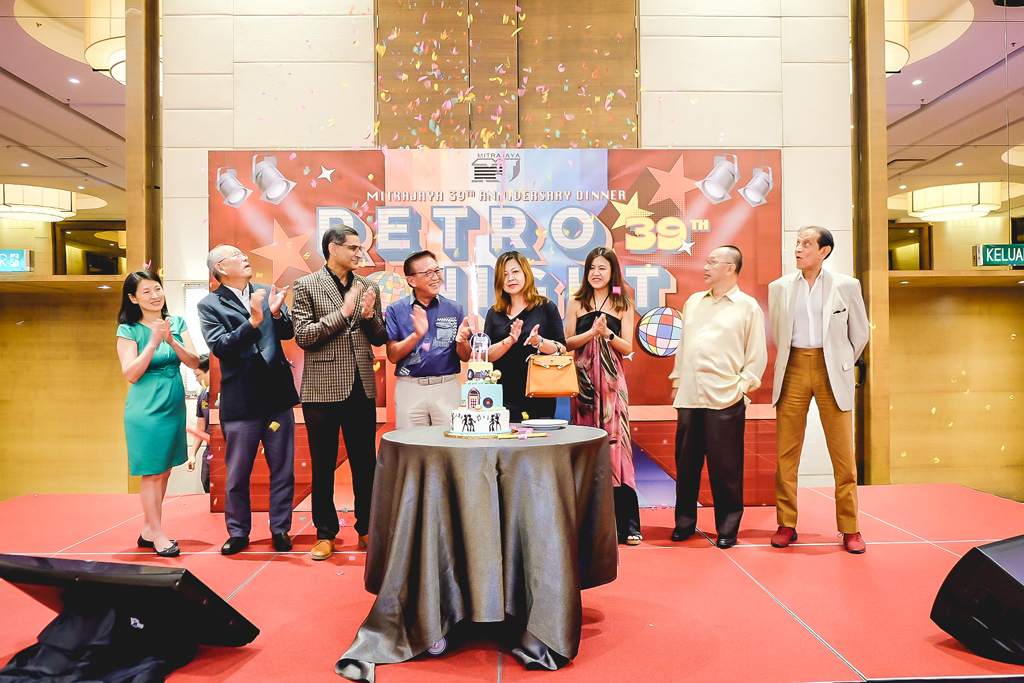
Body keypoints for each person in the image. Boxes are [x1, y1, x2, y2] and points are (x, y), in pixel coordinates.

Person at [768, 227, 870, 554]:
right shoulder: (779, 287)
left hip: (832, 369)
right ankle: (786, 524)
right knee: (786, 455)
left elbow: (860, 334)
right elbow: (778, 333)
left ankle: (850, 528)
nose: (798, 249)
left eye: (806, 244)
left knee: (843, 457)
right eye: (797, 243)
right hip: (794, 367)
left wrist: (840, 361)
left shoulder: (847, 285)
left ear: (824, 251)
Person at [291, 226, 386, 561]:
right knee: (323, 465)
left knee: (366, 464)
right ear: (333, 249)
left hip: (361, 386)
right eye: (354, 248)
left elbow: (379, 337)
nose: (360, 254)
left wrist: (368, 316)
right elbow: (303, 336)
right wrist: (342, 313)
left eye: (361, 248)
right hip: (321, 390)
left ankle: (367, 528)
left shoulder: (369, 286)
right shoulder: (306, 285)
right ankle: (325, 533)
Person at [198, 246, 299, 556]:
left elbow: (287, 332)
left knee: (283, 469)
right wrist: (253, 322)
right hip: (241, 400)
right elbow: (220, 347)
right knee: (237, 474)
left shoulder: (266, 291)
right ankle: (239, 532)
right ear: (220, 268)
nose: (245, 258)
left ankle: (280, 528)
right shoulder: (209, 305)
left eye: (244, 254)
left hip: (277, 396)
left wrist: (277, 314)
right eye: (236, 255)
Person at [669, 246, 767, 549]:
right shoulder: (693, 302)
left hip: (725, 397)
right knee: (686, 466)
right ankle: (684, 522)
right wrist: (677, 382)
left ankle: (727, 527)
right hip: (690, 396)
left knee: (726, 469)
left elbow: (757, 355)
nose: (706, 266)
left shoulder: (747, 306)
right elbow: (684, 346)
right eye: (707, 261)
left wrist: (742, 388)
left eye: (712, 262)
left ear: (730, 268)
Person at [115, 270, 201, 557]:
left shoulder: (177, 322)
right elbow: (131, 373)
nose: (155, 296)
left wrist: (172, 340)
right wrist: (153, 342)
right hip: (145, 409)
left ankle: (149, 529)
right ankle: (157, 532)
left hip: (173, 406)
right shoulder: (128, 329)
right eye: (146, 292)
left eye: (157, 289)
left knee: (164, 470)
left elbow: (194, 362)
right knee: (152, 473)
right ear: (133, 298)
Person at [564, 247, 640, 545]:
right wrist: (591, 333)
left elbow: (628, 347)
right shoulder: (576, 301)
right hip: (583, 386)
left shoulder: (623, 303)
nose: (596, 273)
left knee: (618, 449)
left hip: (612, 386)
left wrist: (607, 333)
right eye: (592, 268)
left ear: (612, 272)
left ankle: (627, 524)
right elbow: (567, 342)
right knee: (587, 447)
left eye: (602, 268)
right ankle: (589, 525)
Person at [385, 250, 473, 429]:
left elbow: (465, 357)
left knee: (449, 442)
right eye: (428, 273)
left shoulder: (454, 309)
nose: (436, 277)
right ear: (411, 280)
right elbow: (392, 356)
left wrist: (462, 342)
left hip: (446, 386)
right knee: (410, 443)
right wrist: (416, 335)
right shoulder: (396, 309)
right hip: (410, 388)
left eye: (437, 271)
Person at [484, 251, 567, 422]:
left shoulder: (546, 307)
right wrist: (509, 341)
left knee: (540, 438)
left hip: (540, 393)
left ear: (526, 273)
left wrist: (539, 342)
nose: (510, 278)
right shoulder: (494, 313)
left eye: (515, 272)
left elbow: (562, 348)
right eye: (504, 275)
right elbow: (486, 355)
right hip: (502, 395)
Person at [189, 353, 212, 494]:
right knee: (206, 482)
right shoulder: (203, 395)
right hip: (210, 451)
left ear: (210, 371)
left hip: (230, 450)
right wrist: (192, 454)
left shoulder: (230, 392)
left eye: (198, 375)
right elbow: (200, 428)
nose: (197, 380)